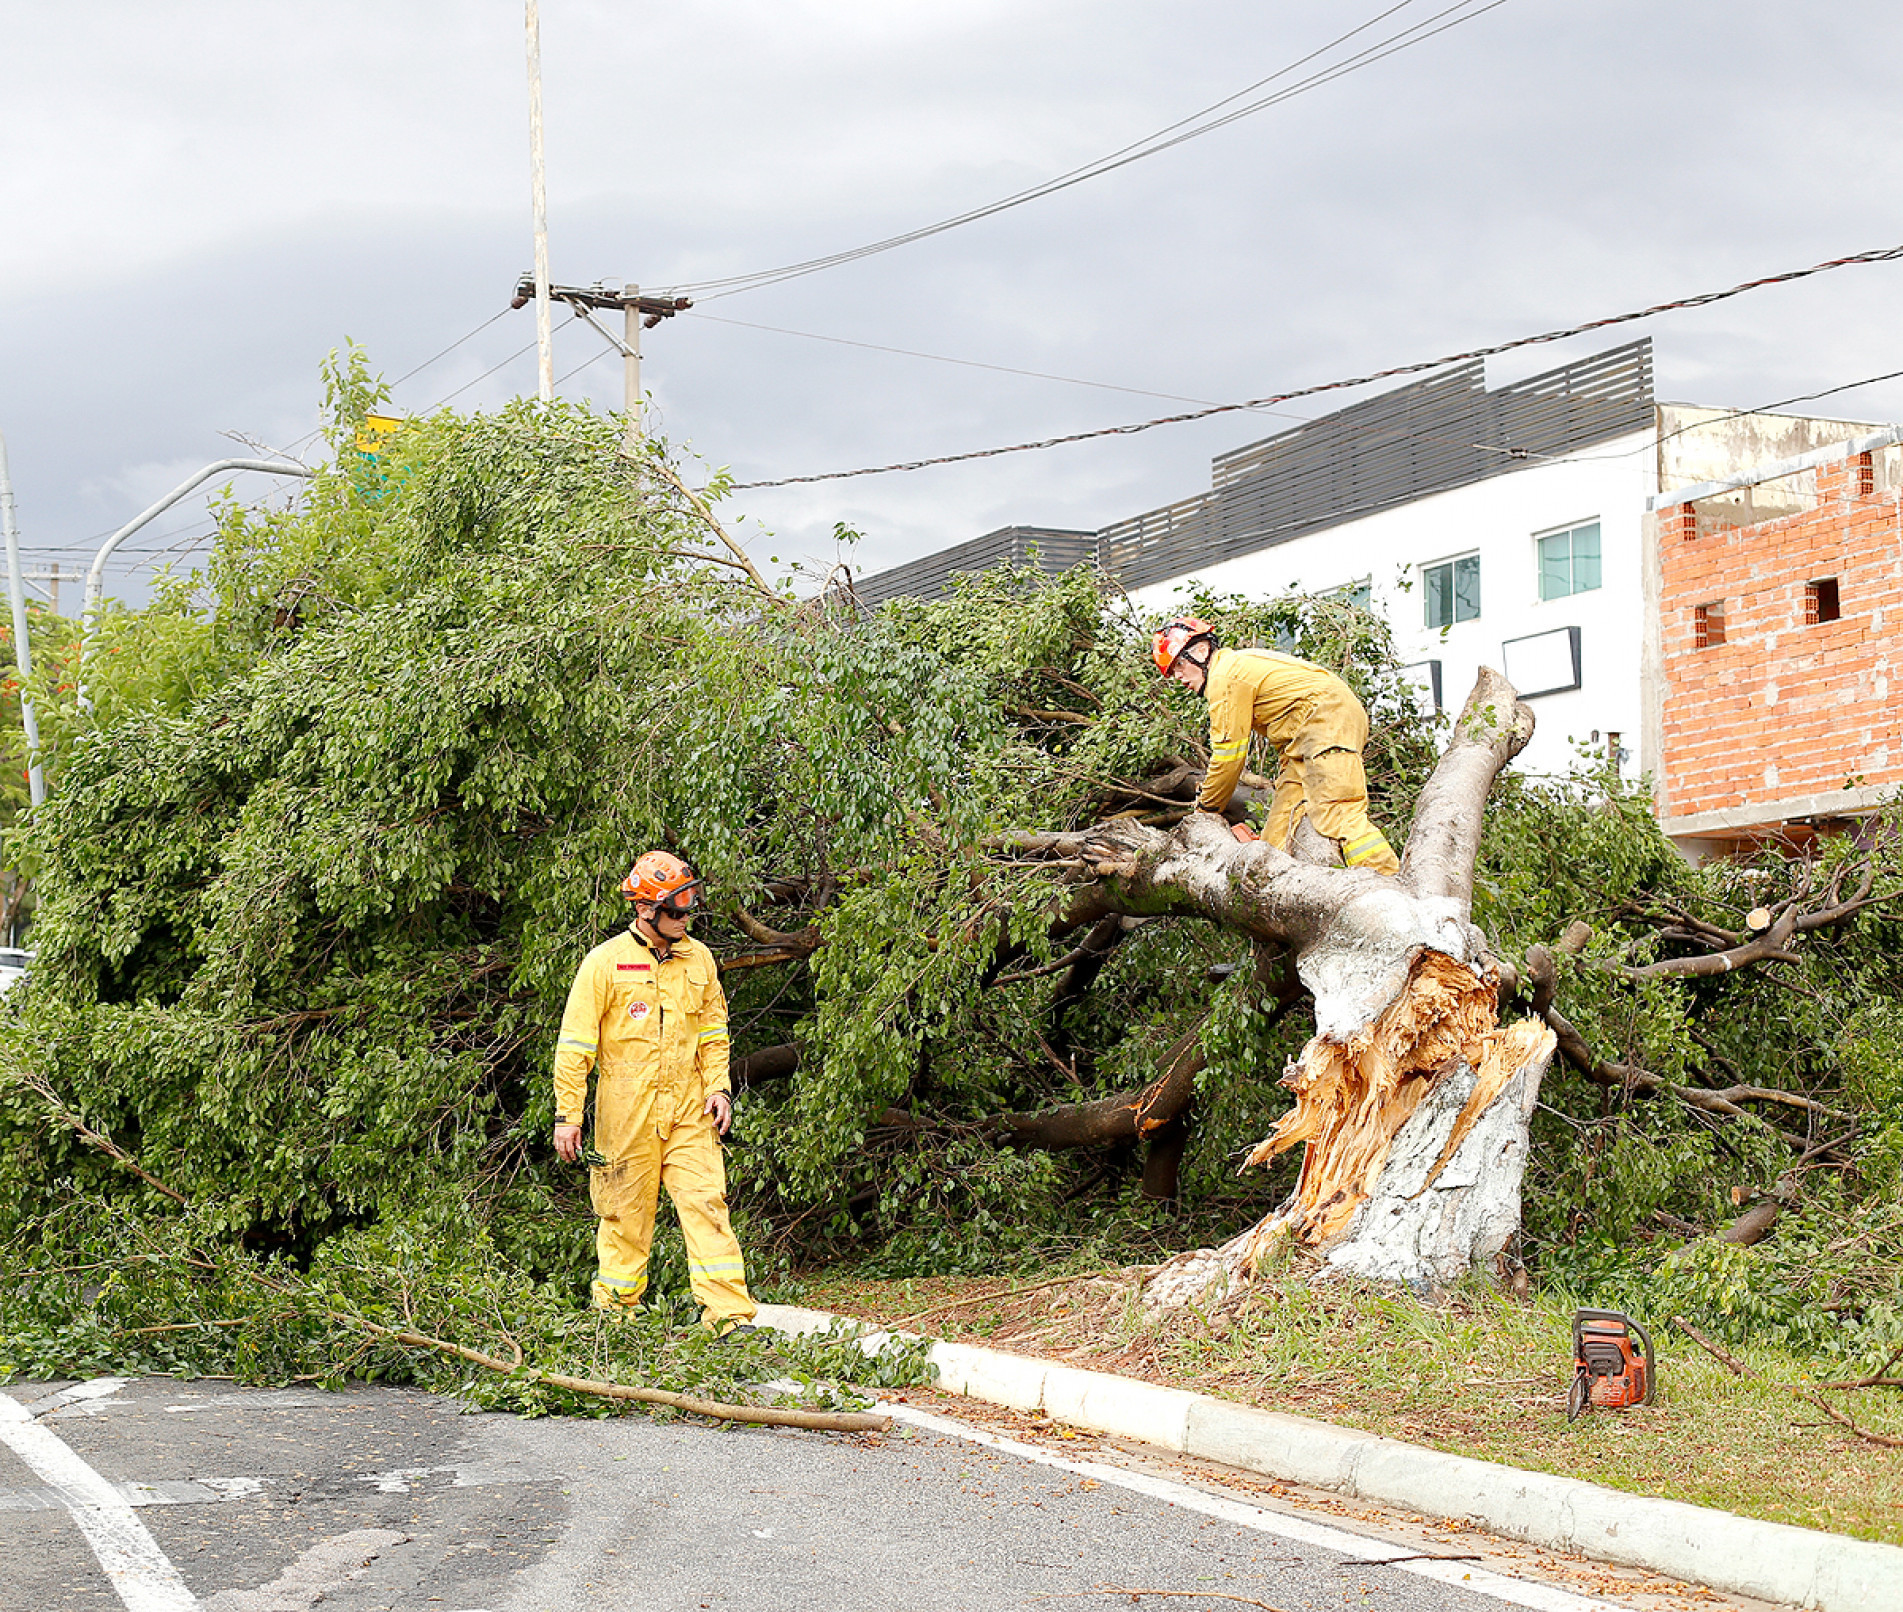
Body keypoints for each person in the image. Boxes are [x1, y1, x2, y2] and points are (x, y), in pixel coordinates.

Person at [552, 850, 758, 1334]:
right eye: (677, 907)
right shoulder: (603, 963)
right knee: (624, 1214)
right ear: (646, 910)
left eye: (690, 905)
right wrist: (569, 1116)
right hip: (625, 1112)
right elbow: (576, 1045)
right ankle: (616, 1320)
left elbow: (713, 1032)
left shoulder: (700, 959)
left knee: (707, 1203)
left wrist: (720, 1090)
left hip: (689, 1107)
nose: (687, 916)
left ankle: (728, 1317)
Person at [1152, 616, 1400, 875]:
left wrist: (1207, 809)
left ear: (1201, 651)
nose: (1178, 677)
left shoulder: (1225, 678)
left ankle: (1389, 881)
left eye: (1179, 665)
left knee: (1338, 812)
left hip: (1327, 719)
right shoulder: (1234, 667)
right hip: (1304, 738)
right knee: (1277, 831)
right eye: (1172, 672)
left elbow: (1228, 758)